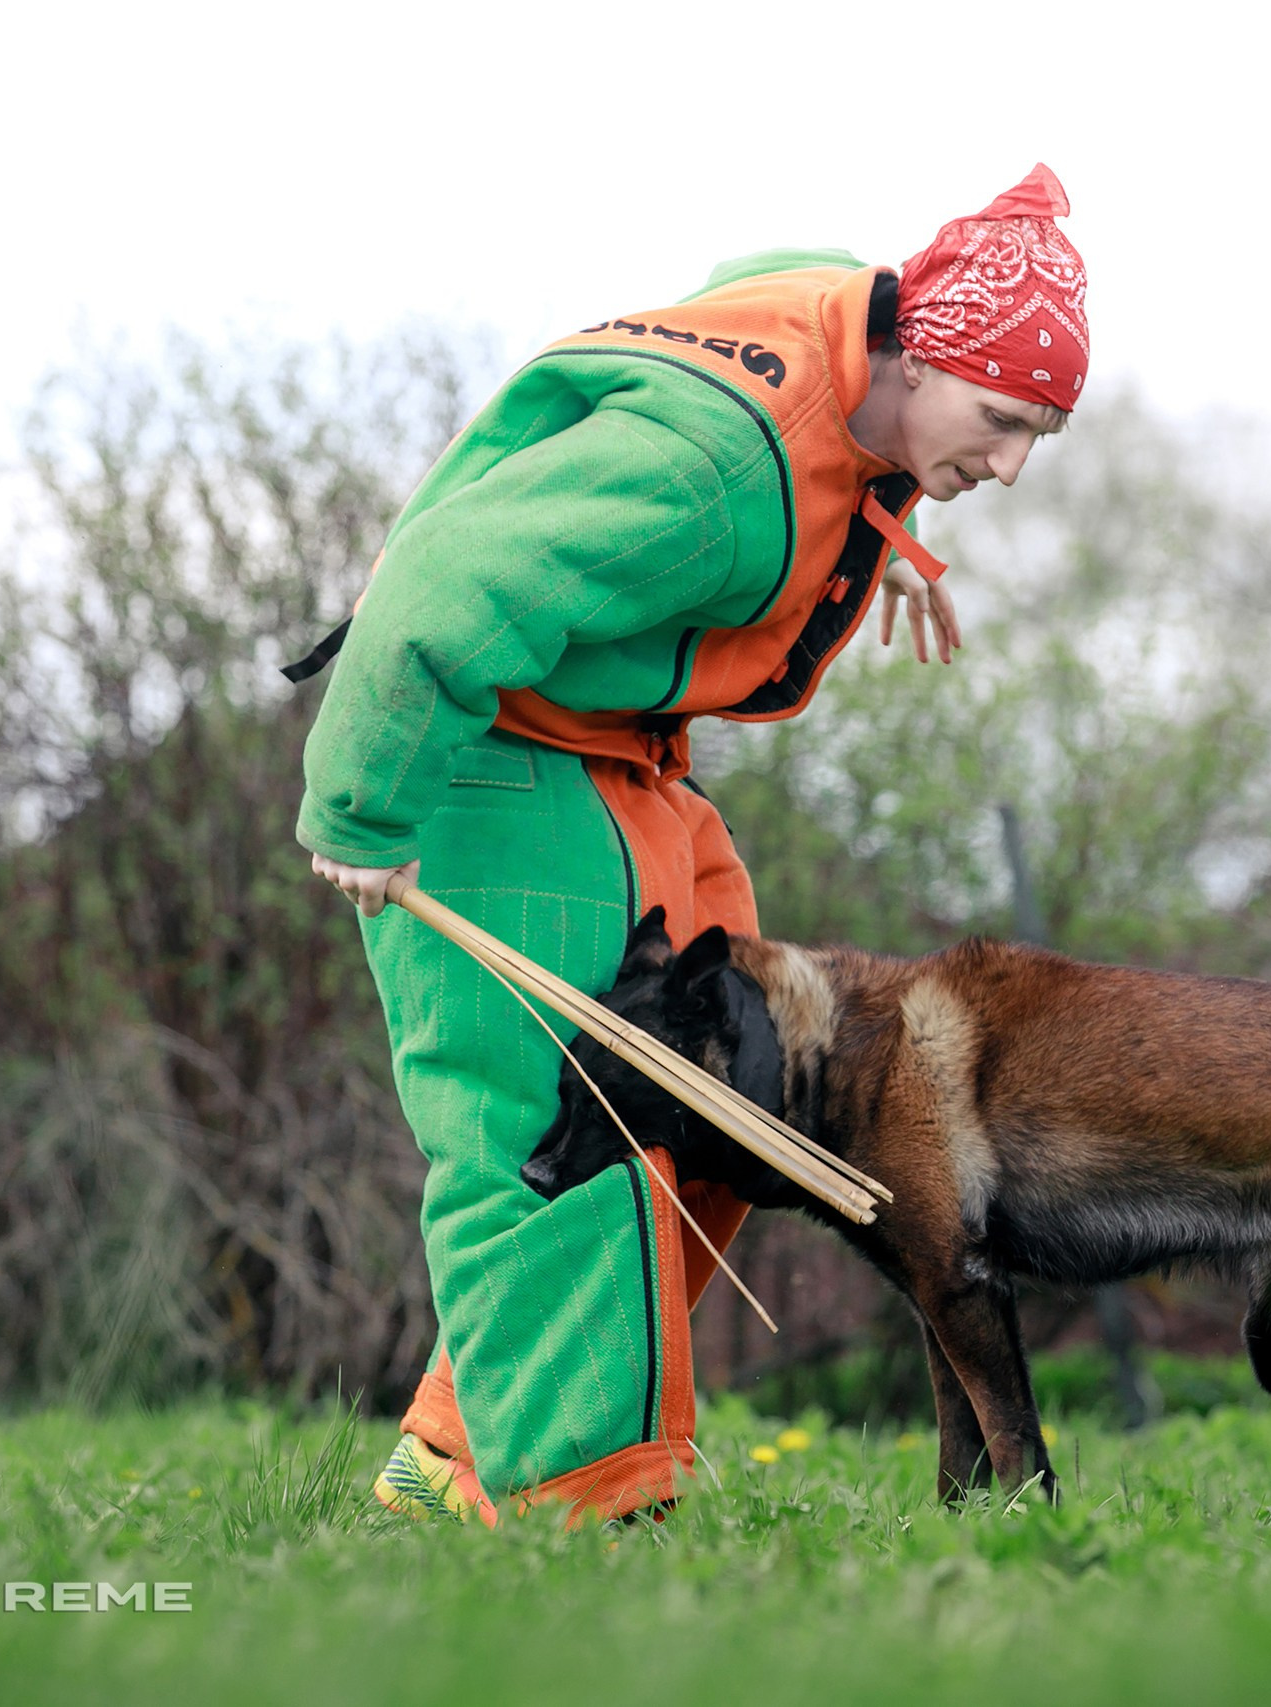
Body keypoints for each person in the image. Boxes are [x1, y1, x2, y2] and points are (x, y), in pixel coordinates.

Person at [293, 165, 1090, 1526]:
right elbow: (443, 585)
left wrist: (875, 521)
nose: (1010, 465)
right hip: (482, 762)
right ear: (917, 358)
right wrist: (361, 811)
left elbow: (780, 267)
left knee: (736, 1092)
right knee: (563, 1127)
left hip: (625, 768)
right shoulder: (713, 472)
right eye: (1000, 423)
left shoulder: (855, 327)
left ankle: (452, 1463)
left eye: (1039, 437)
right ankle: (585, 1514)